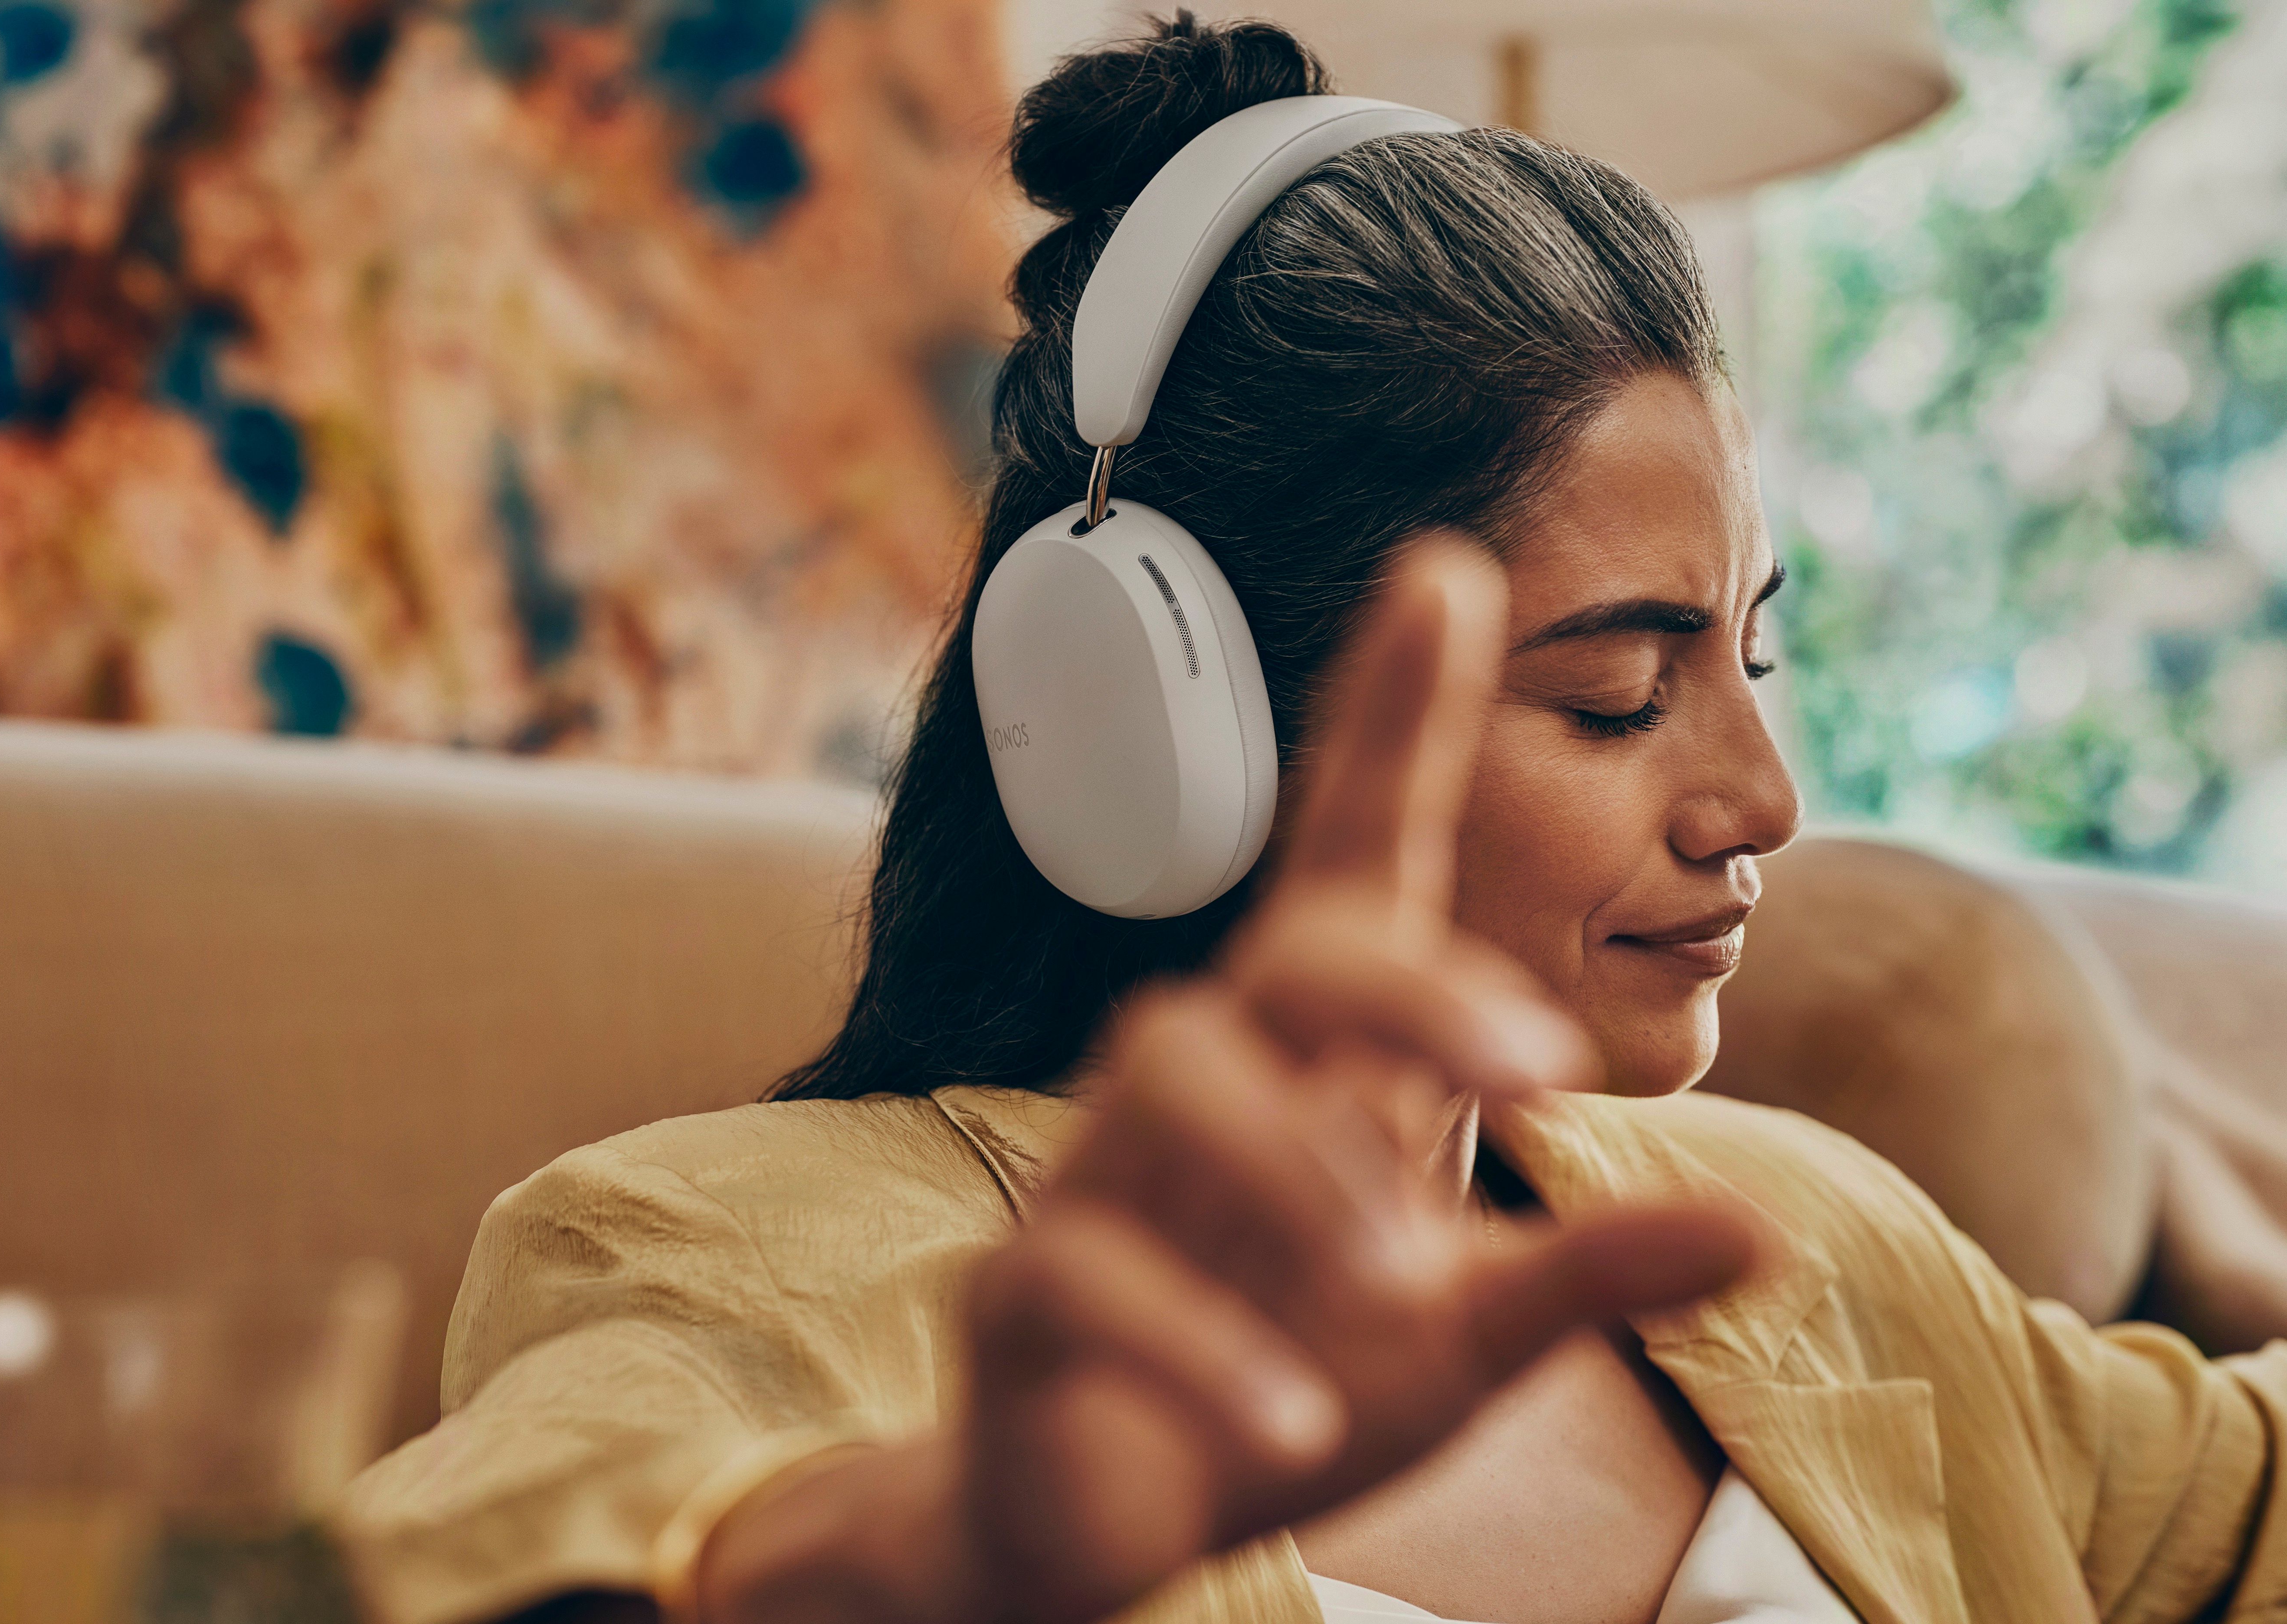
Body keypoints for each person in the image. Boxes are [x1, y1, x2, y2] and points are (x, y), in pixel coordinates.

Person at [345, 16, 2287, 1624]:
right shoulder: (701, 1252)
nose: (1760, 800)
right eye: (1613, 694)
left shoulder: (1794, 1233)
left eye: (1746, 663)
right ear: (1167, 723)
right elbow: (489, 1566)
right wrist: (907, 1568)